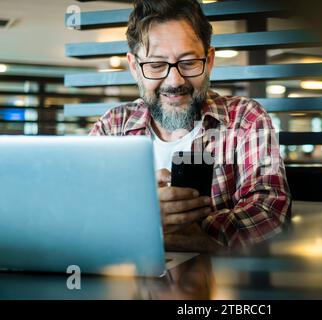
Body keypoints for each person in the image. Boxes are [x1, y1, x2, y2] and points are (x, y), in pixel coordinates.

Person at [90, 0, 291, 251]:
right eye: (156, 65)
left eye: (188, 62)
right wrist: (136, 216)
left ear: (209, 60)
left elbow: (269, 211)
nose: (175, 81)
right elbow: (82, 210)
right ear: (134, 67)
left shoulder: (245, 119)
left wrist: (183, 230)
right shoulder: (113, 126)